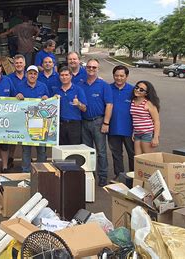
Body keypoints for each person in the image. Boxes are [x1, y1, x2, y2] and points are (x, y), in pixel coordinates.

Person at [80, 59, 113, 187]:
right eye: (89, 67)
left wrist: (106, 123)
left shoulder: (104, 85)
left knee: (101, 152)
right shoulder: (81, 84)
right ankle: (90, 175)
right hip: (84, 122)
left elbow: (109, 105)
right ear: (86, 68)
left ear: (98, 69)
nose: (91, 69)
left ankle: (103, 176)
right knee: (88, 152)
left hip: (98, 121)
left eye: (94, 67)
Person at [15, 65, 49, 172]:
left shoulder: (43, 86)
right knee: (26, 150)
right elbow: (13, 101)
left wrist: (46, 99)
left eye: (35, 74)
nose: (32, 75)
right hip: (26, 123)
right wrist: (17, 96)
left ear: (37, 75)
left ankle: (41, 170)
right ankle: (25, 171)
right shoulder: (20, 86)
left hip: (40, 123)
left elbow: (50, 102)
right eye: (30, 73)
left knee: (41, 150)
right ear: (26, 74)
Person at [109, 65, 135, 178]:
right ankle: (119, 176)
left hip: (129, 129)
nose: (119, 78)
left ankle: (133, 176)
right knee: (116, 154)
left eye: (121, 76)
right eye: (116, 75)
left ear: (126, 76)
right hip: (113, 128)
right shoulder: (108, 88)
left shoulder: (133, 90)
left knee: (132, 154)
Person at [52, 67, 87, 146]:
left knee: (74, 150)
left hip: (74, 125)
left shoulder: (78, 90)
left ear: (71, 76)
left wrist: (78, 104)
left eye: (66, 75)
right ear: (59, 77)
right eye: (62, 75)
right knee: (62, 150)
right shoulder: (56, 91)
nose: (64, 77)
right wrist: (53, 100)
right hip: (60, 124)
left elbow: (84, 108)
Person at [130, 81, 161, 155]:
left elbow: (156, 121)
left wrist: (156, 137)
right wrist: (133, 132)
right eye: (137, 87)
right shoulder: (133, 101)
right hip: (137, 134)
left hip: (147, 134)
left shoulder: (149, 103)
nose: (137, 90)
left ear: (146, 93)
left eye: (141, 90)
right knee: (138, 158)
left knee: (148, 158)